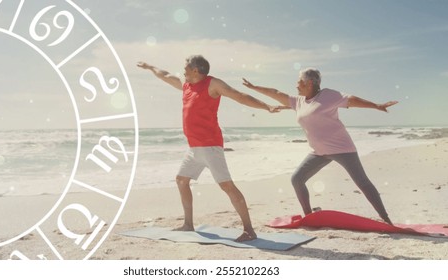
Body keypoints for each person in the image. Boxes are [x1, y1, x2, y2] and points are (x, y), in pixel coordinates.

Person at [137, 55, 284, 241]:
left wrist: (266, 107)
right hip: (194, 148)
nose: (183, 71)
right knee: (181, 180)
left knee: (227, 186)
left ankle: (249, 230)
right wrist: (150, 66)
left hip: (210, 146)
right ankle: (188, 224)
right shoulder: (186, 85)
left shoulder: (213, 84)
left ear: (196, 70)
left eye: (186, 68)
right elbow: (165, 75)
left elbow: (239, 96)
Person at [242, 68, 397, 225]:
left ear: (309, 83)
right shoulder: (298, 101)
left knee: (362, 182)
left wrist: (376, 106)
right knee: (297, 179)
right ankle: (309, 216)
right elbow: (275, 93)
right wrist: (254, 88)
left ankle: (386, 219)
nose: (296, 85)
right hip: (318, 153)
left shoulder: (328, 96)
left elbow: (351, 100)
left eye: (299, 82)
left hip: (342, 149)